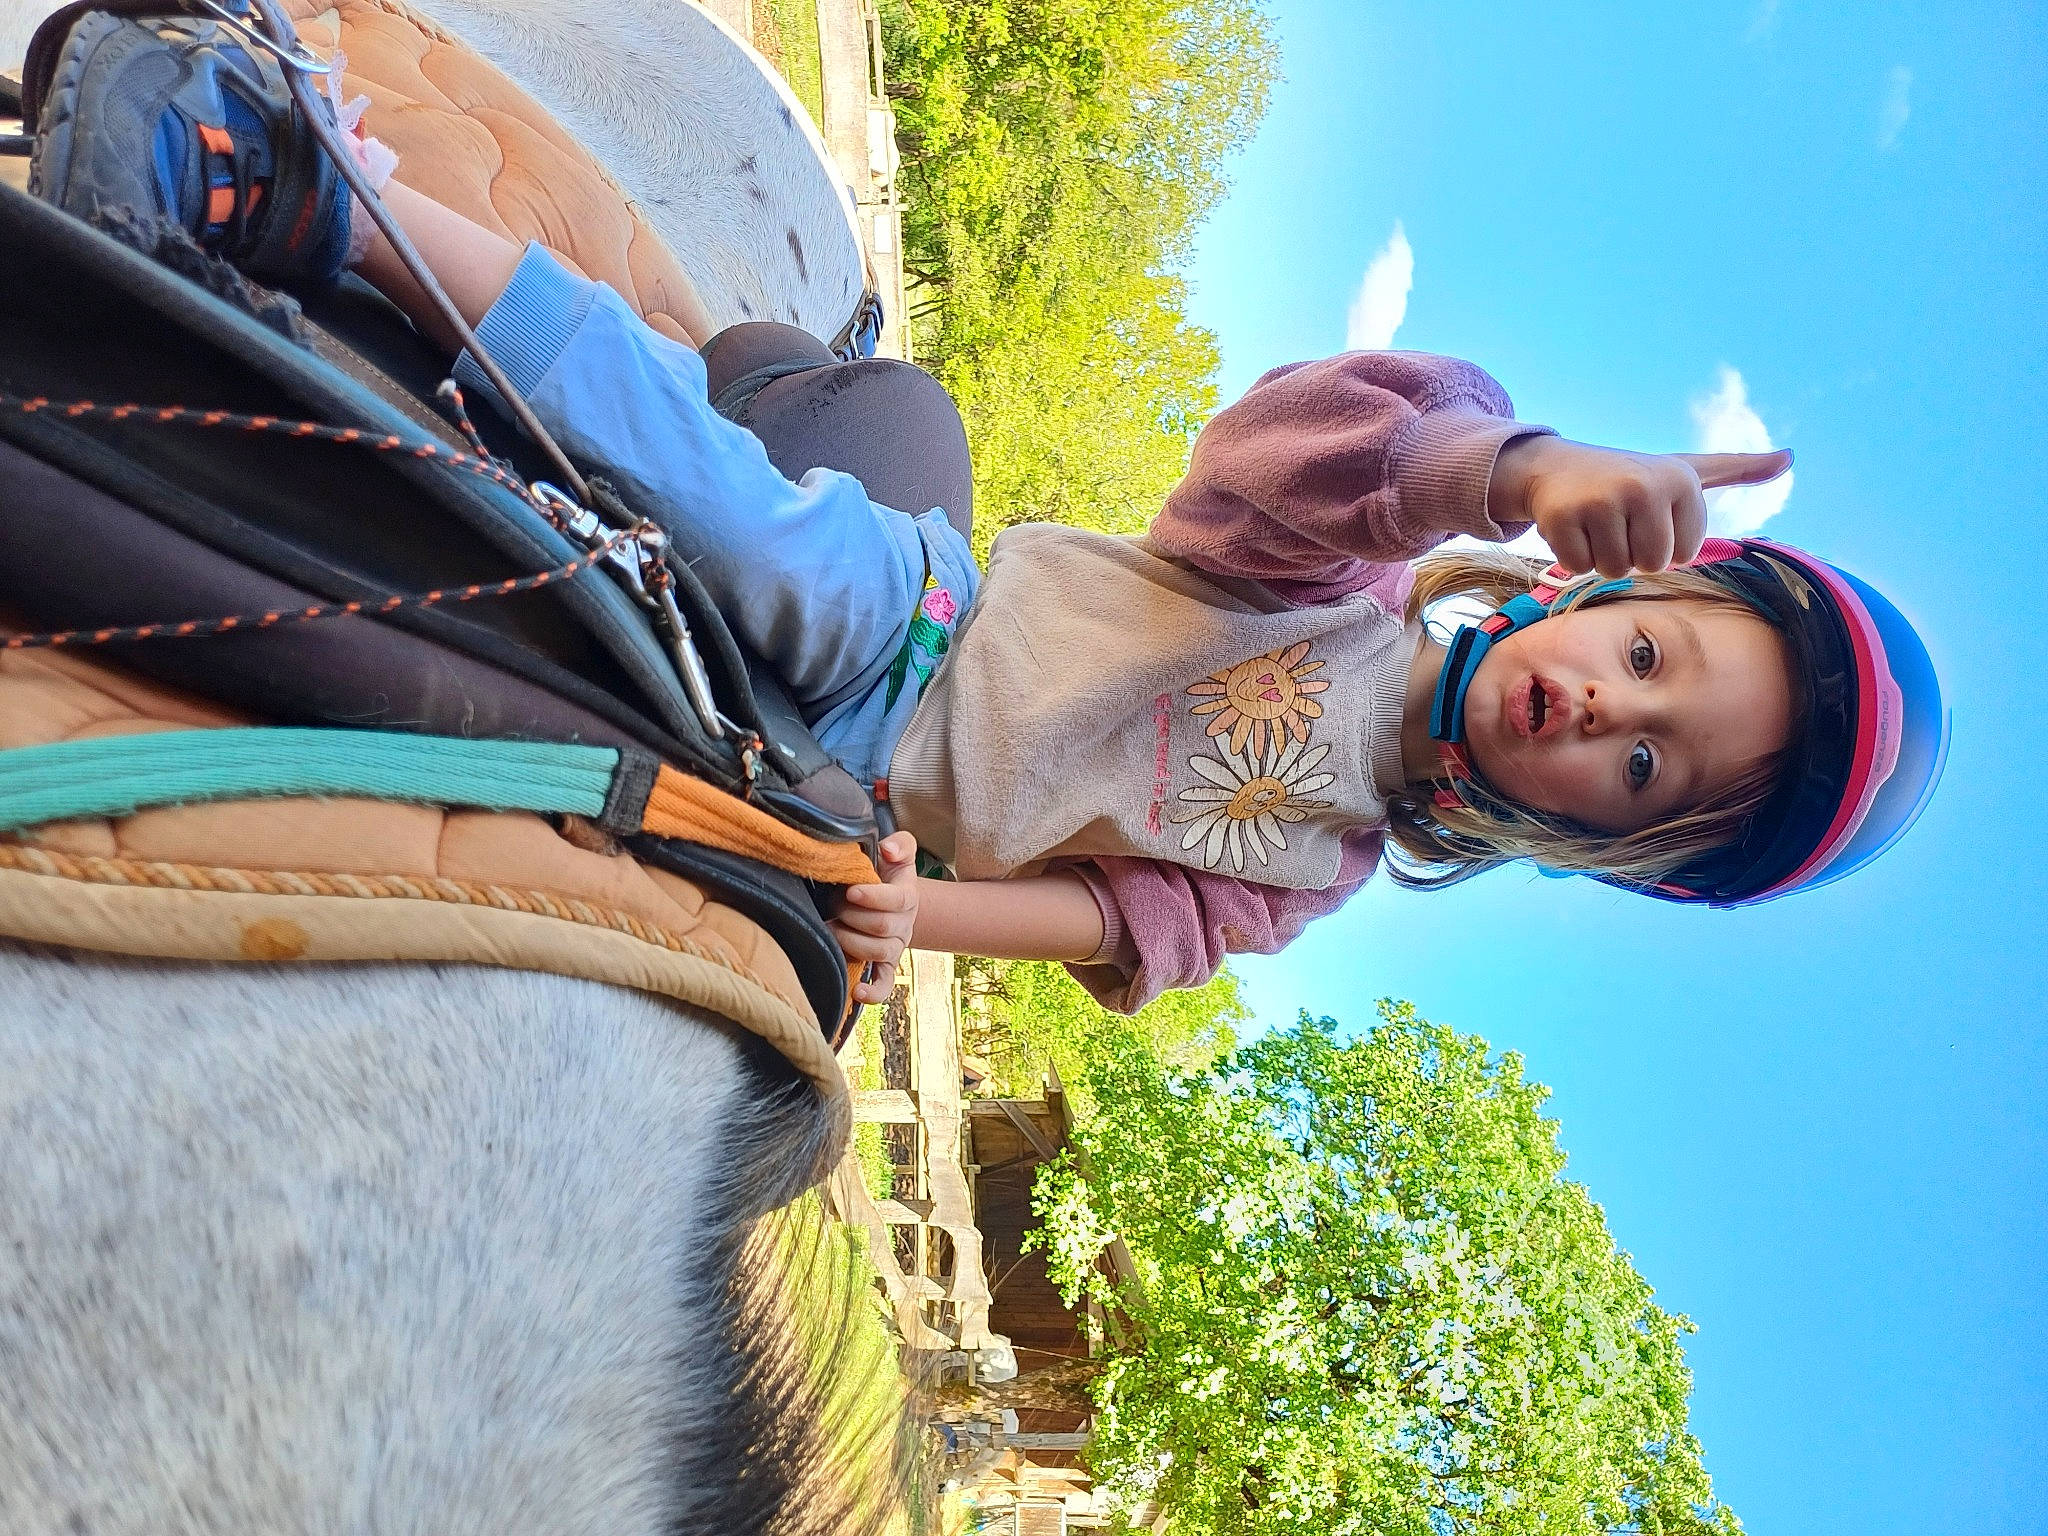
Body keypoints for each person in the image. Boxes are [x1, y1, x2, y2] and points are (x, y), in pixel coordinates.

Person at [27, 8, 1949, 1011]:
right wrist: (1515, 469)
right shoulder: (1352, 585)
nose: (1605, 712)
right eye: (1647, 656)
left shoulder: (1319, 877)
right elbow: (1295, 451)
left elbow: (1118, 919)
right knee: (742, 518)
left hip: (850, 802)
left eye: (1641, 772)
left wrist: (915, 914)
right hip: (909, 637)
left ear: (1604, 848)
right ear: (1587, 596)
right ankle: (312, 184)